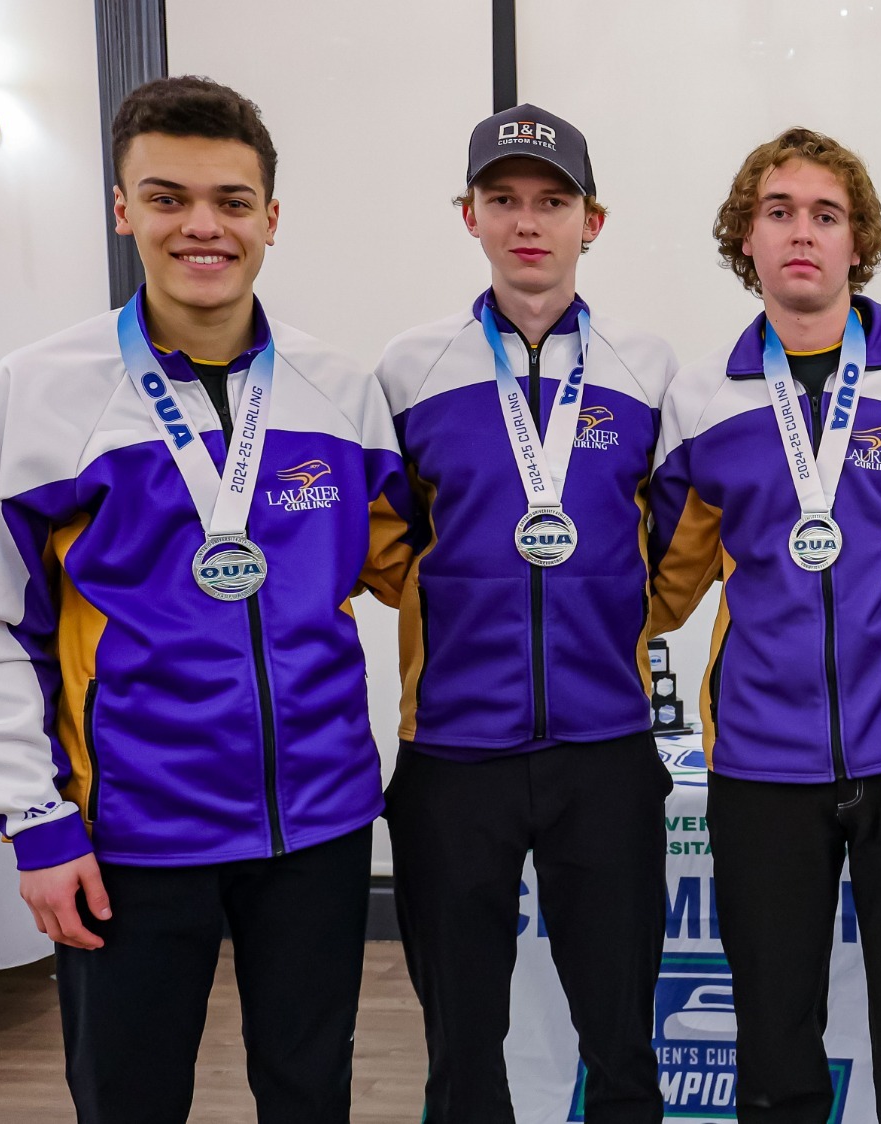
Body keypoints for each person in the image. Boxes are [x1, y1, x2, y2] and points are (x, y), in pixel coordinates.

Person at [0, 77, 407, 1123]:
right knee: (131, 1100)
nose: (203, 225)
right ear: (122, 209)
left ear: (270, 217)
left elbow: (417, 570)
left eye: (231, 201)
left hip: (319, 824)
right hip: (131, 834)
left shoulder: (339, 390)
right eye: (167, 197)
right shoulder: (40, 390)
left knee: (310, 1092)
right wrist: (36, 820)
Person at [647, 126, 881, 1123]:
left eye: (826, 215)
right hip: (763, 763)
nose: (802, 232)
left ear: (858, 241)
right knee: (773, 1047)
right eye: (779, 212)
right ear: (745, 239)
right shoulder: (701, 399)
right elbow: (659, 585)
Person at [366, 104, 677, 1123]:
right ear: (469, 215)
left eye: (552, 201)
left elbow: (676, 540)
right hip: (455, 754)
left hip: (606, 750)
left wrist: (616, 614)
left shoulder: (647, 367)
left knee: (622, 1040)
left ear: (594, 220)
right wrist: (457, 606)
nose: (527, 222)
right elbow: (384, 539)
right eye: (503, 199)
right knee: (462, 1044)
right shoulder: (410, 368)